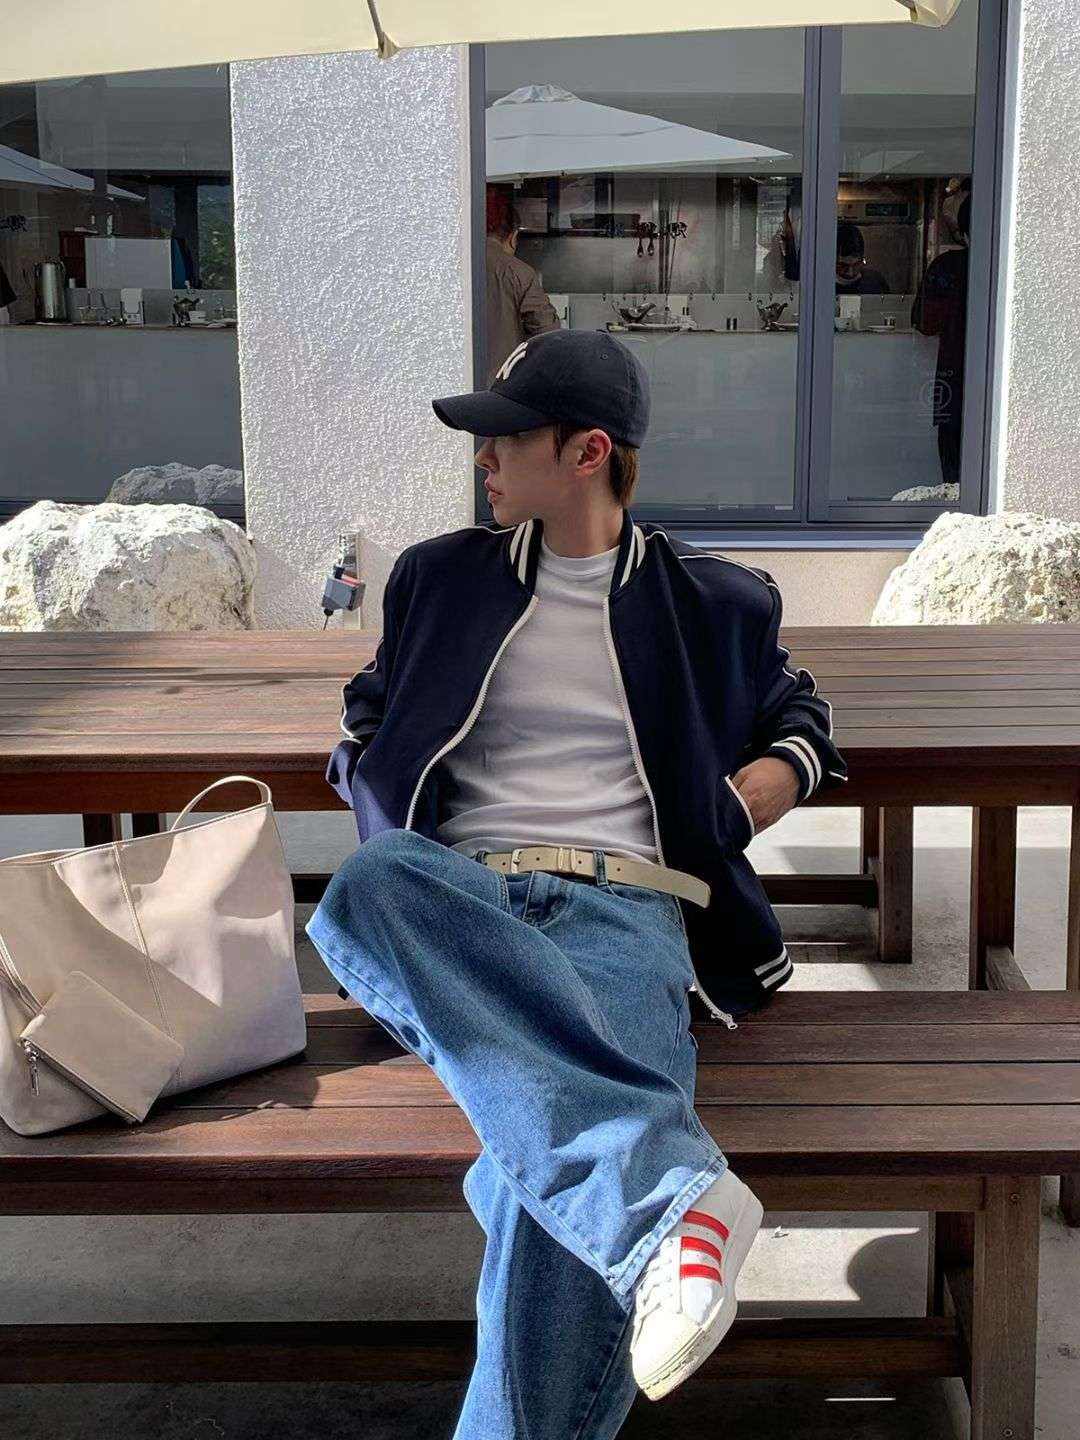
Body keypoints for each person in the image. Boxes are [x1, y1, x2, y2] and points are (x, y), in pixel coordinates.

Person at [306, 327, 849, 1438]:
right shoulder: (441, 578)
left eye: (507, 439)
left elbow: (802, 715)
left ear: (589, 451)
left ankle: (652, 1211)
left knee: (536, 1178)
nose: (484, 459)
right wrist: (367, 773)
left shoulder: (715, 600)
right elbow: (370, 708)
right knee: (367, 884)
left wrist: (765, 786)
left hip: (626, 905)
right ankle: (669, 1206)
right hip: (456, 905)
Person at [911, 194, 971, 488]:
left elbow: (924, 323)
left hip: (953, 377)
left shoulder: (947, 268)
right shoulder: (1013, 269)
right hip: (1004, 387)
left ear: (962, 232)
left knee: (954, 474)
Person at [485, 200, 560, 386]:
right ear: (513, 237)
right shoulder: (519, 272)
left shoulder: (452, 265)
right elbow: (547, 334)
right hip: (501, 384)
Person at [835, 220, 890, 295]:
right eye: (843, 266)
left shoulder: (875, 282)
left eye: (856, 265)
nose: (850, 273)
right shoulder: (824, 284)